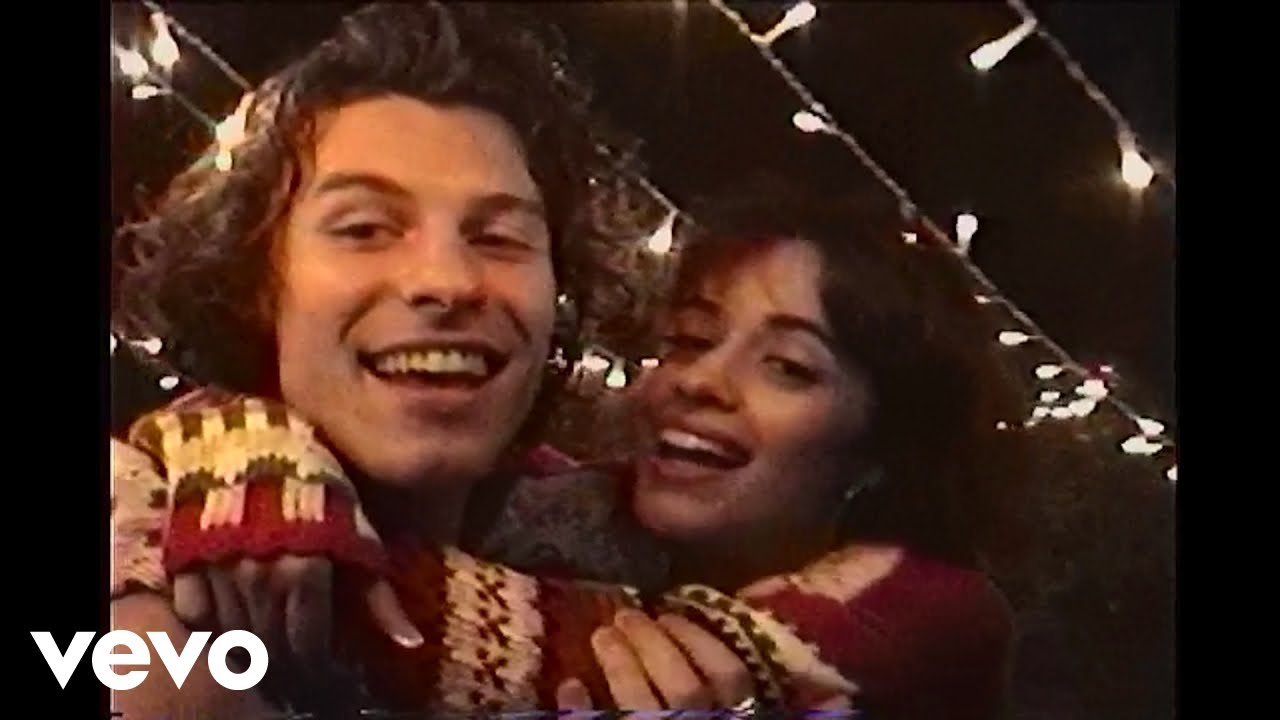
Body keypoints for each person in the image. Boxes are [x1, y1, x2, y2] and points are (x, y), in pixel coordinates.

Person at [109, 3, 667, 717]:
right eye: (365, 228)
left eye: (500, 238)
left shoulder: (647, 590)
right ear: (256, 284)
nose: (447, 281)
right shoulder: (135, 556)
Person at [479, 182, 1030, 718]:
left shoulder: (922, 648)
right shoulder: (506, 521)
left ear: (879, 448)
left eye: (789, 367)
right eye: (691, 340)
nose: (699, 380)